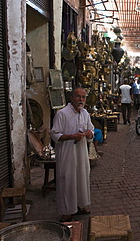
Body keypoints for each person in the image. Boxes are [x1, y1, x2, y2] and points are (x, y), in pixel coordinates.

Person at [50, 87, 94, 222]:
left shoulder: (85, 113)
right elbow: (54, 134)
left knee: (82, 178)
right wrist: (71, 136)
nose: (81, 100)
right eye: (78, 97)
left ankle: (81, 205)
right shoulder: (62, 114)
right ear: (72, 98)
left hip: (81, 153)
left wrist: (89, 134)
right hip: (67, 153)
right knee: (67, 181)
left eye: (83, 97)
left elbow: (91, 129)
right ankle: (67, 211)